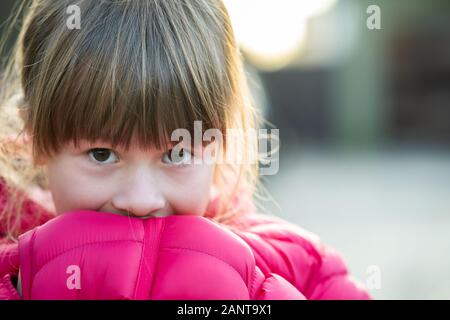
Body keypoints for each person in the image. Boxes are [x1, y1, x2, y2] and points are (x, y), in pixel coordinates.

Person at [0, 0, 370, 299]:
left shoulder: (297, 269)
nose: (141, 200)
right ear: (34, 136)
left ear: (220, 144)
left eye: (176, 154)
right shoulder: (12, 275)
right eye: (101, 154)